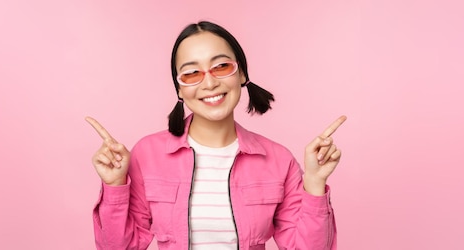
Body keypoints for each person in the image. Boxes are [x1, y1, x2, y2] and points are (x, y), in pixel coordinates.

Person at [86, 21, 346, 250]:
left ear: (242, 73)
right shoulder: (147, 155)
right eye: (192, 73)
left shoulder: (278, 160)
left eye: (221, 66)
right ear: (179, 89)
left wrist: (314, 183)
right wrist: (115, 185)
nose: (209, 83)